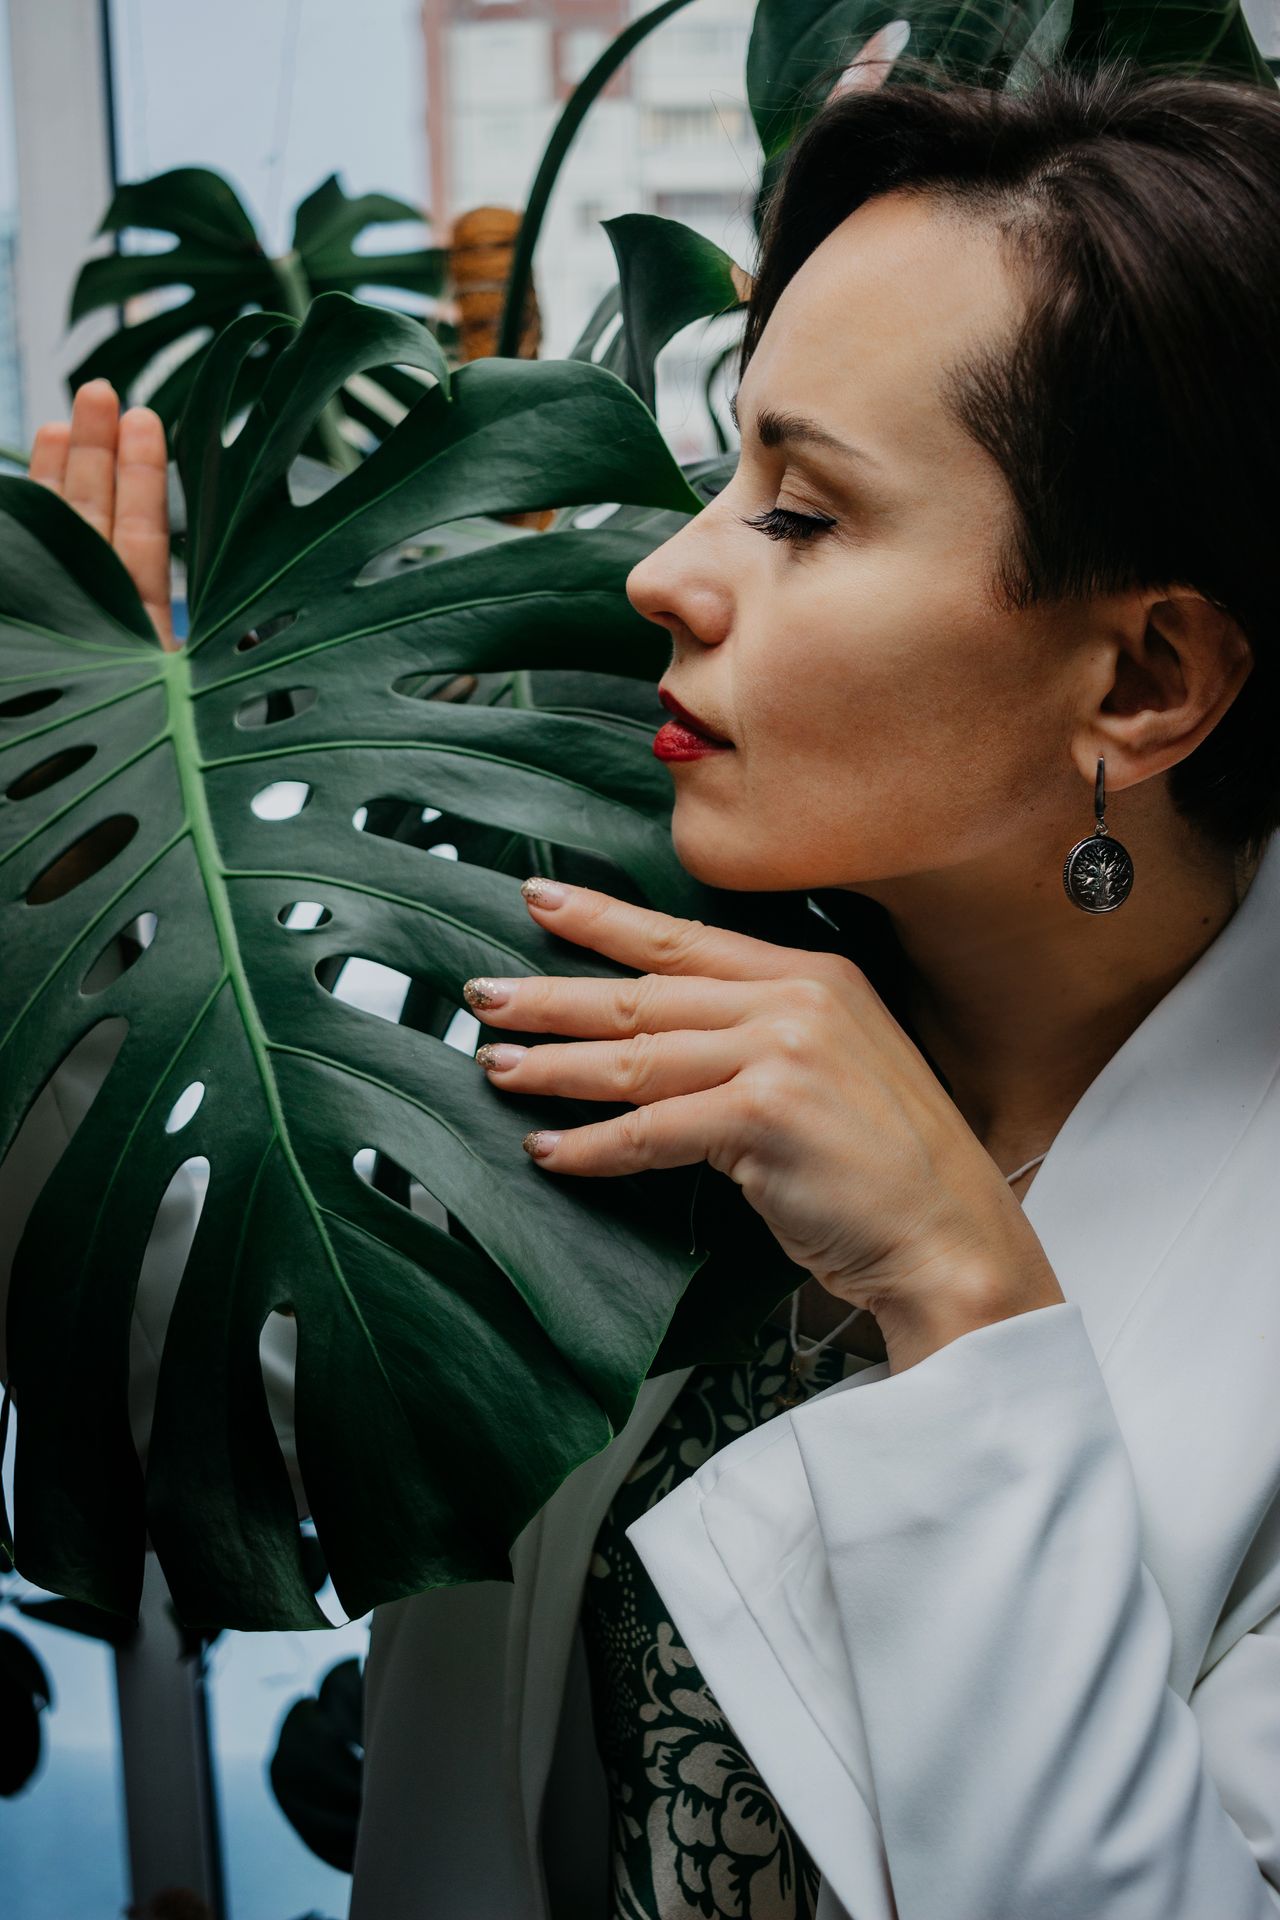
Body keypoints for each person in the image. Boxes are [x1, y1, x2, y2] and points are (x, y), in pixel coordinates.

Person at [19, 51, 1280, 1920]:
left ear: (1144, 682)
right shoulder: (670, 969)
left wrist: (961, 1291)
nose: (666, 572)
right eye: (730, 466)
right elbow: (338, 1366)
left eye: (803, 512)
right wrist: (90, 905)